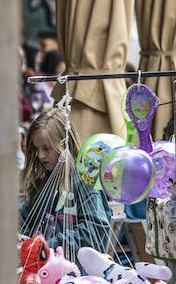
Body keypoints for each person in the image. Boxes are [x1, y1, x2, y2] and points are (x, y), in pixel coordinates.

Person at [19, 108, 112, 255]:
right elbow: (23, 218)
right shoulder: (41, 184)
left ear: (65, 145)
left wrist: (46, 247)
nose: (40, 155)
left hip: (78, 275)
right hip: (43, 272)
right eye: (36, 149)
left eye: (47, 148)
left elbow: (94, 233)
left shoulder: (84, 183)